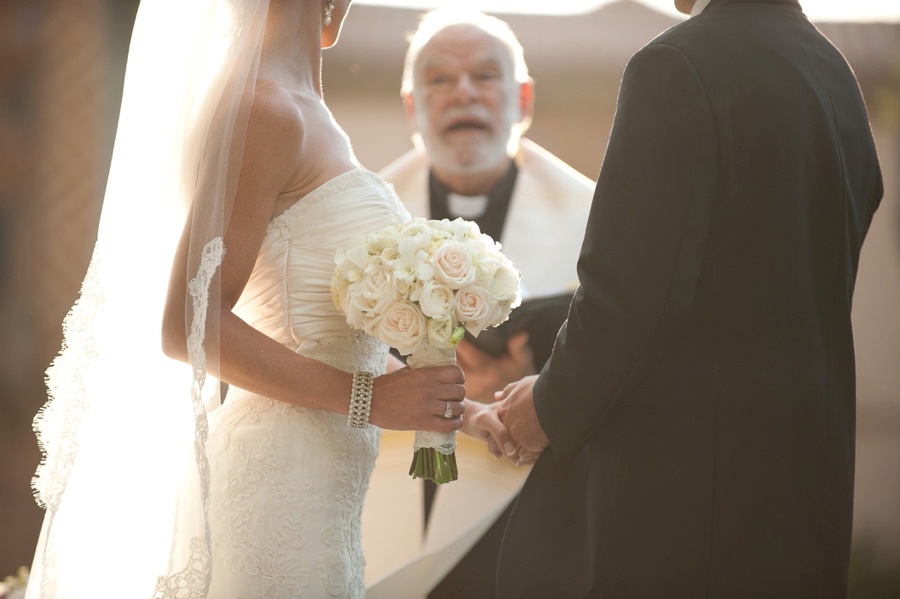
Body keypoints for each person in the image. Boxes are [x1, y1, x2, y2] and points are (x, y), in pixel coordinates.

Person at [26, 1, 467, 597]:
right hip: (275, 486)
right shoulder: (266, 109)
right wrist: (369, 399)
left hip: (324, 491)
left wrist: (449, 408)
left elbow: (309, 331)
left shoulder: (307, 110)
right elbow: (189, 324)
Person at [492, 0, 883, 596]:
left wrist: (548, 404)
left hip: (688, 505)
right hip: (804, 496)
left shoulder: (677, 65)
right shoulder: (833, 75)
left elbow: (631, 289)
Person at [369, 8, 594, 597]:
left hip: (528, 515)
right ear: (413, 105)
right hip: (384, 496)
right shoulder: (365, 218)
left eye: (485, 76)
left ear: (523, 97)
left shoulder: (597, 222)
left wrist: (545, 386)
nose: (463, 92)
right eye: (439, 79)